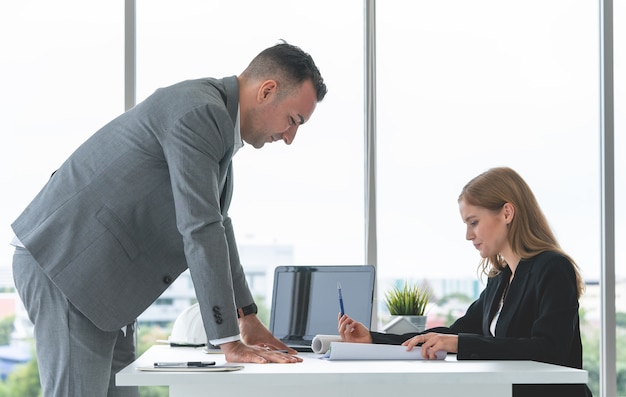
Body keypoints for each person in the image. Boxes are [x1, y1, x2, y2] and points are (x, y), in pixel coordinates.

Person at [11, 41, 327, 397]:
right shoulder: (198, 113)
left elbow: (219, 224)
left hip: (102, 282)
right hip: (69, 266)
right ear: (267, 91)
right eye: (293, 120)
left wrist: (248, 319)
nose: (289, 138)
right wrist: (228, 341)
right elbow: (200, 229)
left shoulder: (217, 122)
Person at [338, 167, 592, 396]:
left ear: (507, 212)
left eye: (474, 222)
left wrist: (459, 344)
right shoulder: (500, 280)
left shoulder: (553, 268)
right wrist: (373, 339)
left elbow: (549, 350)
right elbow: (451, 333)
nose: (468, 235)